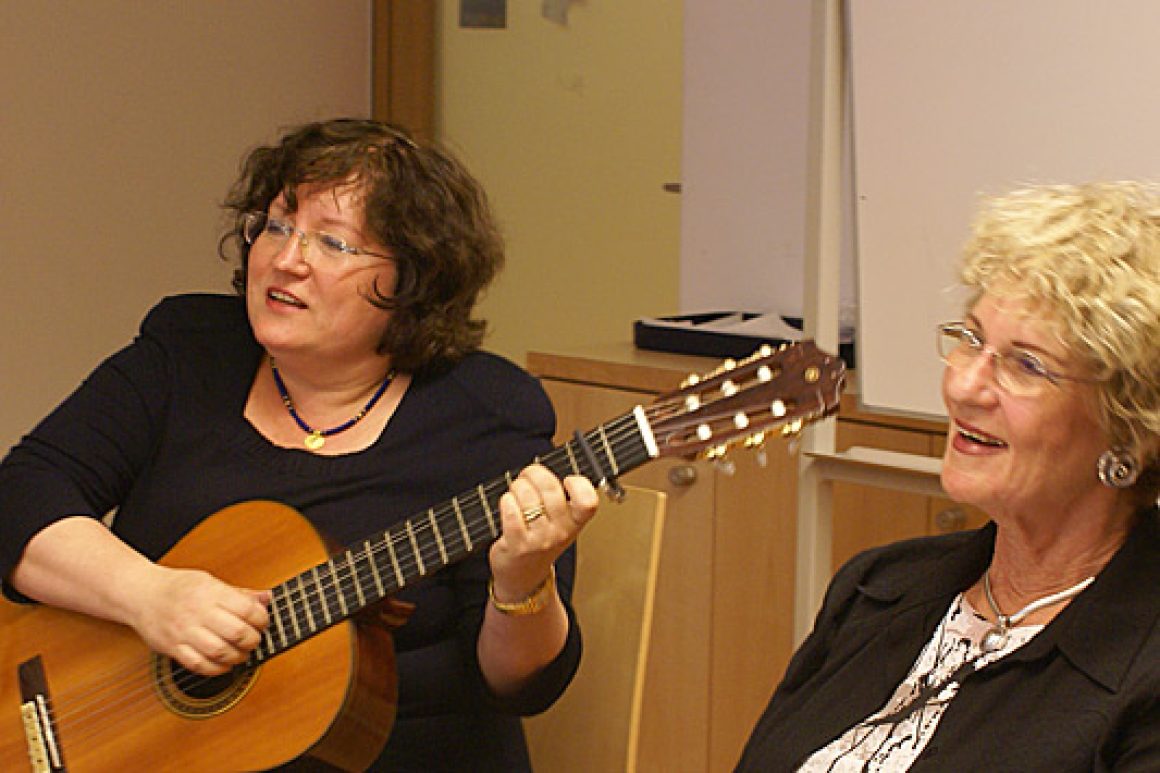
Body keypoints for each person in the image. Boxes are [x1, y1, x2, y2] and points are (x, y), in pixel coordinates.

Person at [0, 118, 599, 771]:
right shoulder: (188, 349)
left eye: (333, 242)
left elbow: (521, 685)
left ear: (415, 280)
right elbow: (22, 495)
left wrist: (522, 581)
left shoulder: (487, 412)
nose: (286, 259)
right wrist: (150, 595)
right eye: (277, 226)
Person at [737, 182, 1160, 771]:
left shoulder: (1144, 669)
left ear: (1129, 427)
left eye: (1026, 365)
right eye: (971, 339)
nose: (963, 387)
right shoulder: (878, 588)